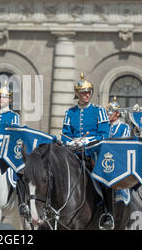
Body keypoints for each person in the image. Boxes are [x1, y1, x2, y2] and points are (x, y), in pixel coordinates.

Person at [61, 72, 112, 229]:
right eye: (83, 93)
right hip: (73, 152)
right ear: (77, 94)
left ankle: (107, 213)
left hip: (93, 152)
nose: (87, 95)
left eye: (89, 92)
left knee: (104, 178)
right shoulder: (70, 113)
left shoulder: (99, 111)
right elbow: (65, 136)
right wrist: (71, 143)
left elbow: (104, 134)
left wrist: (88, 141)